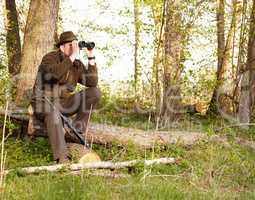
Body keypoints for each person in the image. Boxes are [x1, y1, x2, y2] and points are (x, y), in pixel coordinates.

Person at [31, 31, 101, 163]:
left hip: (64, 103)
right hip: (44, 103)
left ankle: (75, 133)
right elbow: (54, 75)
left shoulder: (76, 64)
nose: (74, 48)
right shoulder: (50, 58)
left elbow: (92, 82)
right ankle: (62, 158)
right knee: (53, 112)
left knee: (94, 92)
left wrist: (91, 56)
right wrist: (72, 56)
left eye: (76, 45)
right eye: (71, 45)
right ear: (62, 46)